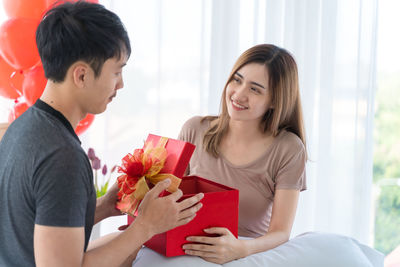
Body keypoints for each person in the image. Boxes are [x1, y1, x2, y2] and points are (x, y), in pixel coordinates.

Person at [0, 2, 203, 267]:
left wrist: (107, 205)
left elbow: (40, 226)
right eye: (117, 71)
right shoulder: (62, 157)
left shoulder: (22, 128)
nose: (121, 84)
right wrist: (146, 226)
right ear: (81, 75)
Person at [178, 44, 307, 264]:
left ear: (275, 100)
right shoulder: (194, 130)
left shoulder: (289, 149)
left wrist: (240, 248)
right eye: (237, 80)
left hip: (247, 254)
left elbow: (280, 232)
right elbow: (169, 198)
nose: (239, 94)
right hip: (187, 249)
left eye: (255, 89)